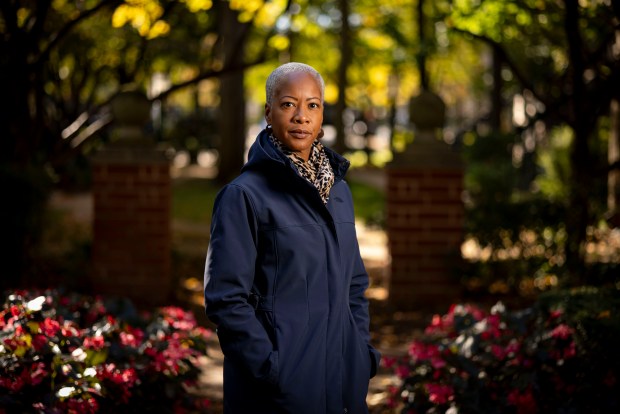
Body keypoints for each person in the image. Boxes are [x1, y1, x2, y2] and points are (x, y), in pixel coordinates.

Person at [203, 62, 381, 414]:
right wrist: (272, 370)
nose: (302, 116)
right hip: (276, 395)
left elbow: (354, 285)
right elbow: (226, 300)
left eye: (312, 105)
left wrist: (360, 354)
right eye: (289, 104)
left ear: (322, 114)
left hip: (342, 386)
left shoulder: (339, 192)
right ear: (269, 112)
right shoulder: (243, 196)